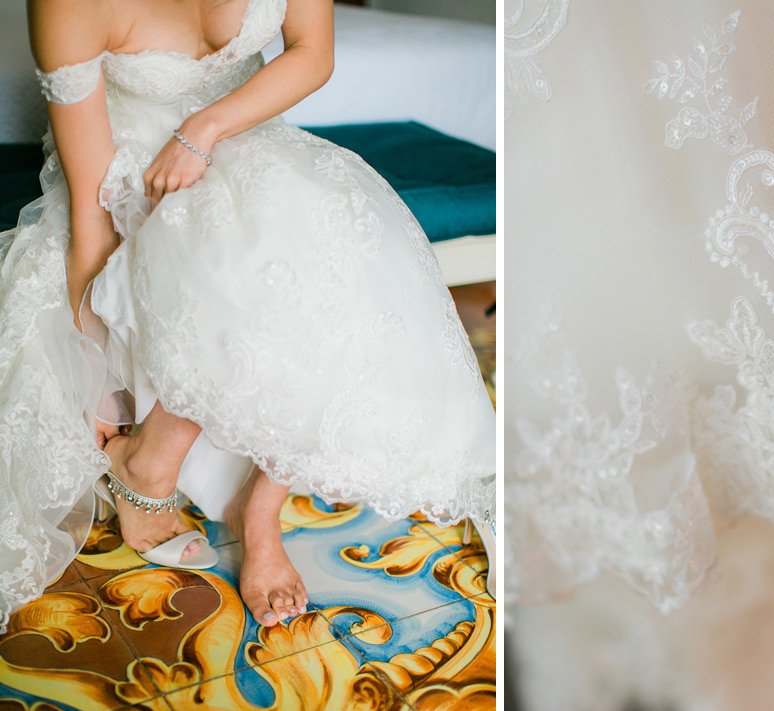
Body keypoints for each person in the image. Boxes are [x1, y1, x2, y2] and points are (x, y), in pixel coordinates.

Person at [0, 0, 495, 634]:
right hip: (132, 165)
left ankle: (258, 508)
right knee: (237, 255)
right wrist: (96, 370)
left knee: (320, 228)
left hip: (243, 133)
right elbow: (94, 226)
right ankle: (150, 465)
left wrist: (206, 129)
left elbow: (312, 53)